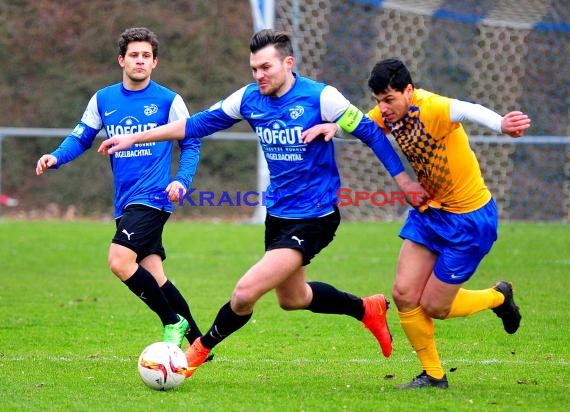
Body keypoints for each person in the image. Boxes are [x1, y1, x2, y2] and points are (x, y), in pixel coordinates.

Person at [98, 29, 430, 377]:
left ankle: (197, 351)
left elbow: (370, 131)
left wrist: (403, 180)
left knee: (244, 293)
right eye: (254, 68)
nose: (259, 75)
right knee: (294, 298)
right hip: (279, 216)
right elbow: (194, 126)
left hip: (316, 216)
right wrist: (136, 135)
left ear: (289, 63)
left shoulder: (321, 98)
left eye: (266, 67)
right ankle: (366, 309)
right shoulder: (248, 99)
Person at [303, 58, 530, 389]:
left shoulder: (433, 107)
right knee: (404, 294)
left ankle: (498, 297)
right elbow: (365, 127)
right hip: (430, 213)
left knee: (436, 307)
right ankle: (434, 375)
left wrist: (501, 125)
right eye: (379, 100)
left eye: (389, 99)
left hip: (469, 220)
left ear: (408, 90)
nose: (383, 107)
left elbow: (468, 110)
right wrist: (335, 128)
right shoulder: (386, 112)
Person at [35, 27, 204, 349]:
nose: (139, 61)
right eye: (134, 55)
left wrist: (181, 180)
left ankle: (174, 322)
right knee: (154, 274)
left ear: (155, 62)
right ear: (121, 60)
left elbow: (191, 144)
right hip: (124, 200)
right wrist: (55, 157)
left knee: (119, 261)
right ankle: (199, 345)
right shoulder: (104, 99)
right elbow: (82, 136)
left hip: (154, 196)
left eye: (146, 56)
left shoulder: (170, 100)